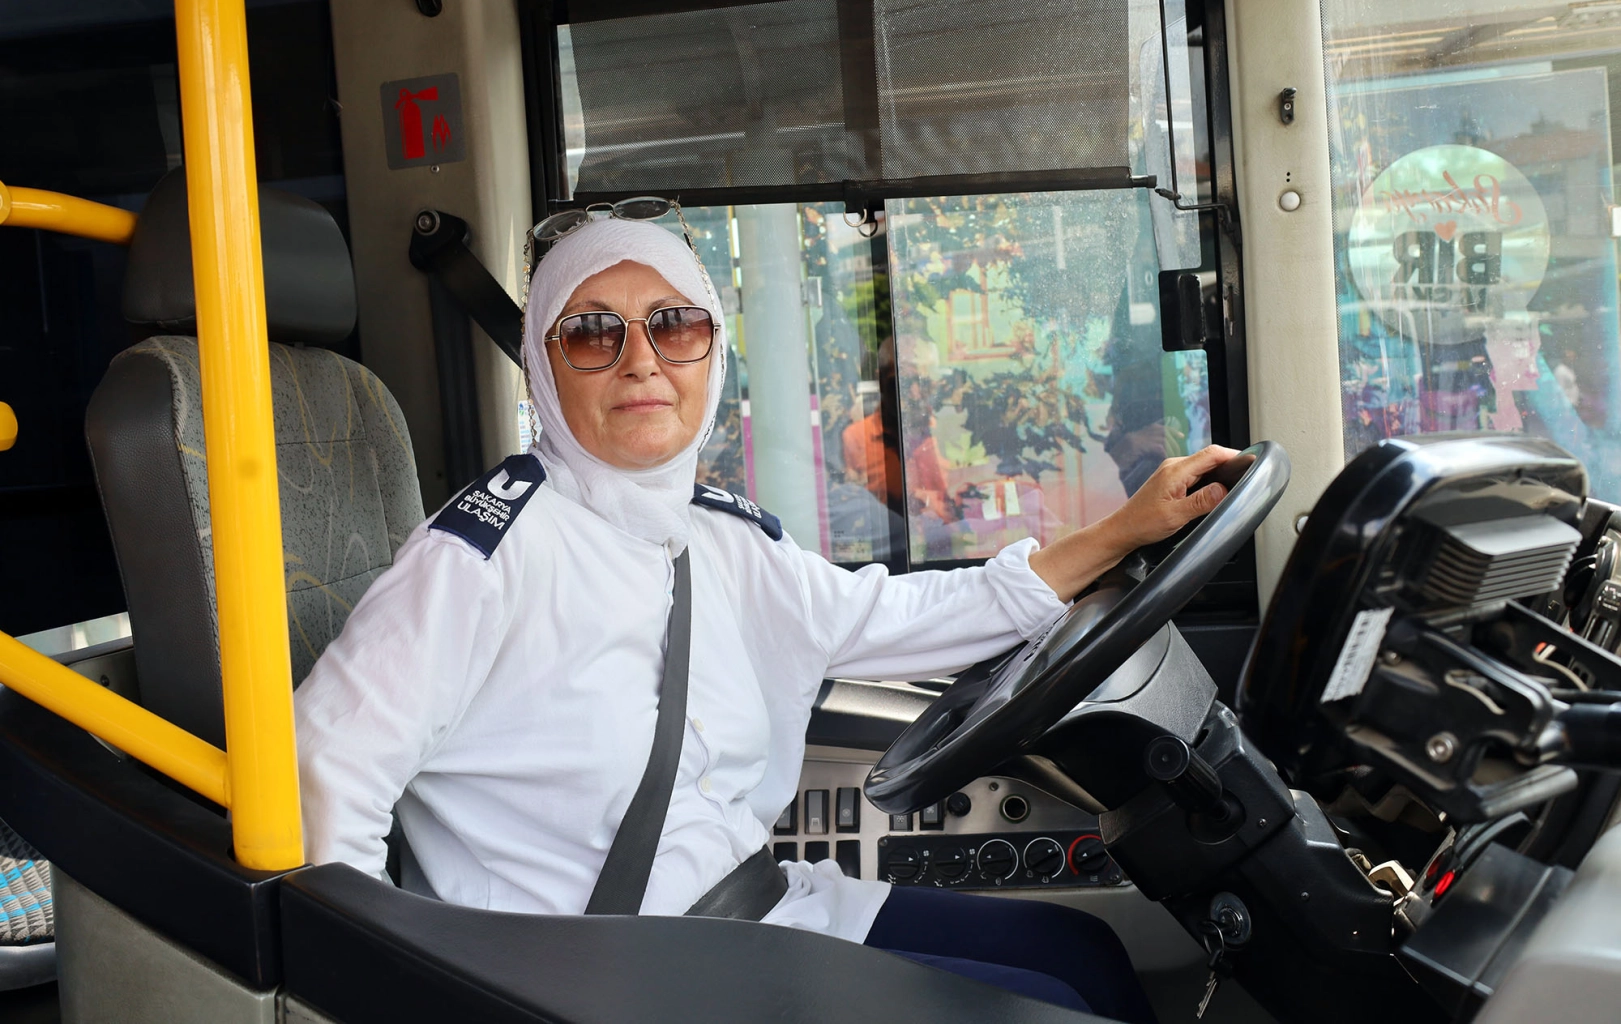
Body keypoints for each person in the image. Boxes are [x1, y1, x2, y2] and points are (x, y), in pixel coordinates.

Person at [295, 216, 1237, 1021]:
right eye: (590, 333)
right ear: (543, 365)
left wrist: (1124, 530)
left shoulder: (715, 532)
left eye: (674, 325)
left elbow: (890, 613)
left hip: (756, 911)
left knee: (1082, 955)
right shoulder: (478, 558)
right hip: (602, 976)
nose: (640, 361)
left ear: (712, 349)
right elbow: (324, 778)